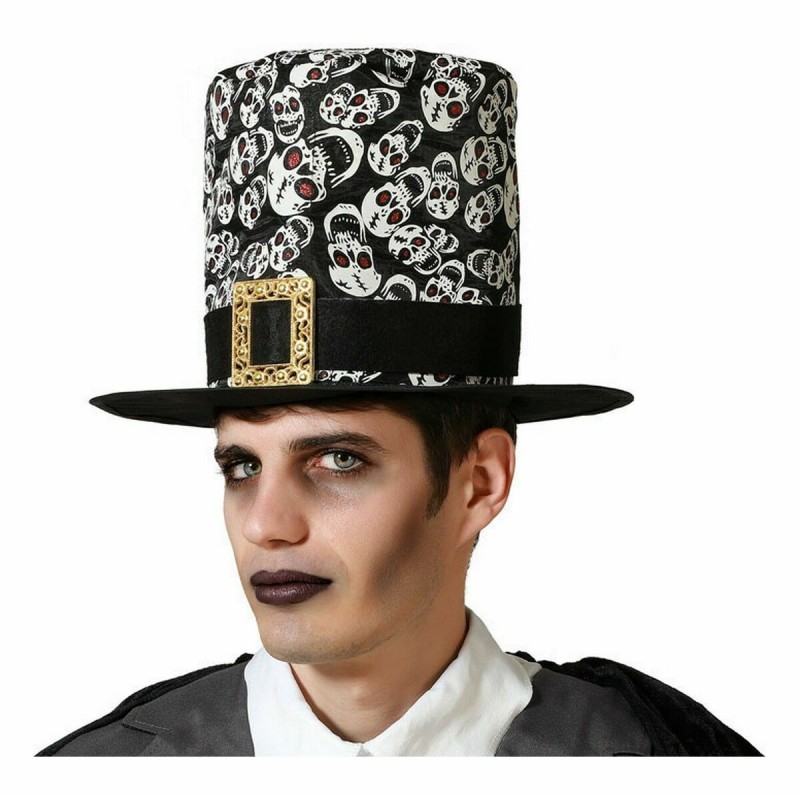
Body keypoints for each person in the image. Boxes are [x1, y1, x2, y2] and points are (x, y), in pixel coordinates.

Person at [36, 46, 760, 756]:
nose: (265, 524)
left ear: (480, 483)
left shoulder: (650, 757)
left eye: (337, 459)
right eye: (242, 466)